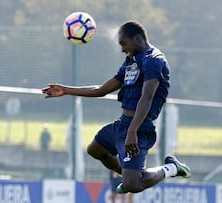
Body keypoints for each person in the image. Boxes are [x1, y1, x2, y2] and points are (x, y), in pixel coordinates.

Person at [42, 20, 191, 193]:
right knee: (95, 150)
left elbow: (146, 97)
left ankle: (170, 168)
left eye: (123, 43)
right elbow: (102, 89)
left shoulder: (154, 60)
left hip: (139, 127)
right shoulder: (131, 61)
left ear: (137, 38)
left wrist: (133, 130)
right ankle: (131, 175)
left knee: (133, 186)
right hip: (123, 124)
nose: (121, 49)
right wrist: (66, 90)